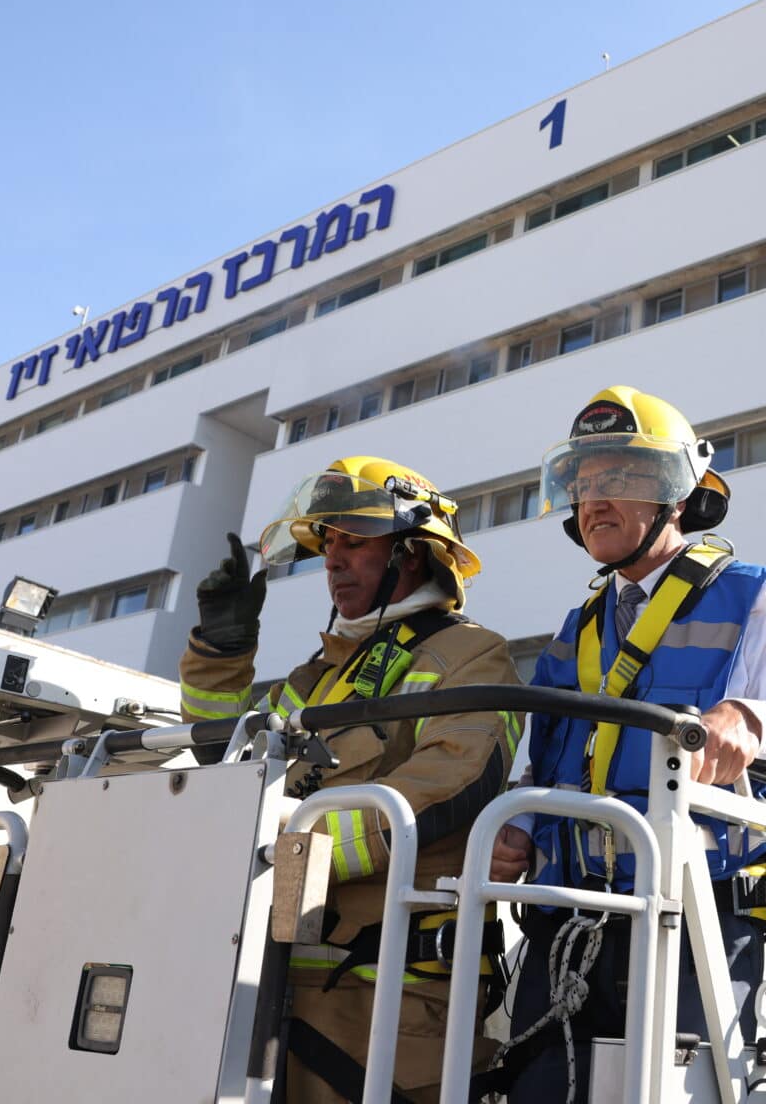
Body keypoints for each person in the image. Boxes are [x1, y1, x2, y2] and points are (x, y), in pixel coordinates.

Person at [488, 386, 766, 1101]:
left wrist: (749, 718)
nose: (595, 500)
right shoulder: (576, 627)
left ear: (677, 495)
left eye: (621, 479)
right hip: (564, 913)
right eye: (584, 484)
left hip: (696, 911)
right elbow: (539, 758)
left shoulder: (757, 596)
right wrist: (516, 827)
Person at [180, 455, 520, 1104]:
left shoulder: (473, 655)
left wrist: (279, 850)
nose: (332, 559)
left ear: (413, 554)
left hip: (392, 1004)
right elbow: (226, 767)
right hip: (272, 986)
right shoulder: (315, 677)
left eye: (355, 542)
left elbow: (441, 791)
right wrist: (220, 655)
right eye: (328, 543)